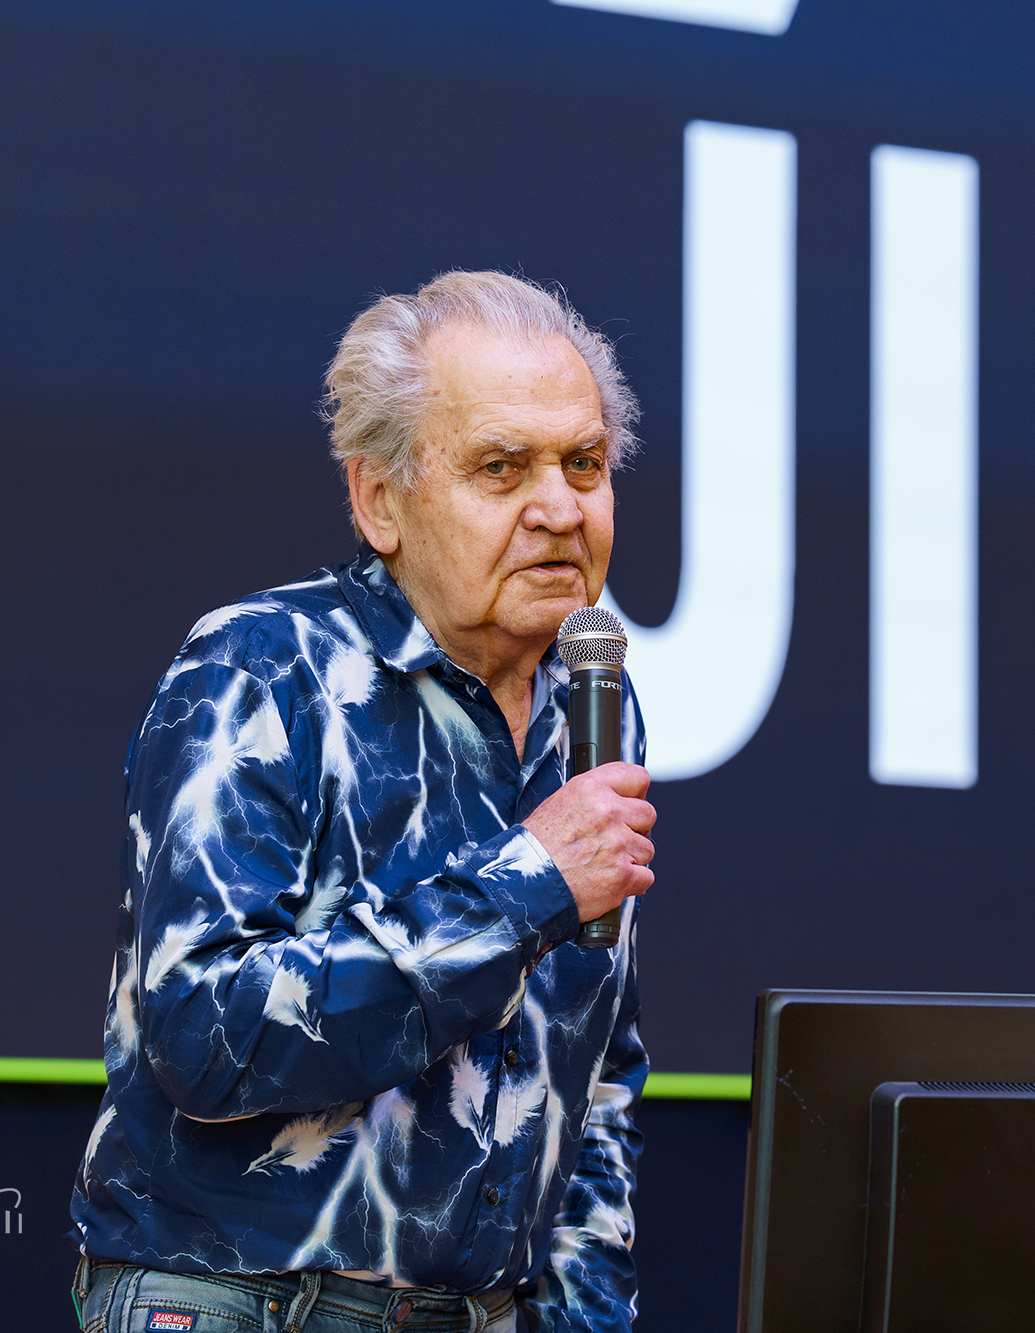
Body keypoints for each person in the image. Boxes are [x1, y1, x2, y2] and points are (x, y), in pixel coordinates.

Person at [68, 271, 658, 1333]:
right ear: (380, 499)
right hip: (246, 1302)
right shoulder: (262, 668)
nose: (561, 507)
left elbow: (596, 1070)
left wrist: (586, 1315)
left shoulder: (593, 711)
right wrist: (524, 886)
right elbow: (203, 1032)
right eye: (501, 466)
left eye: (584, 463)